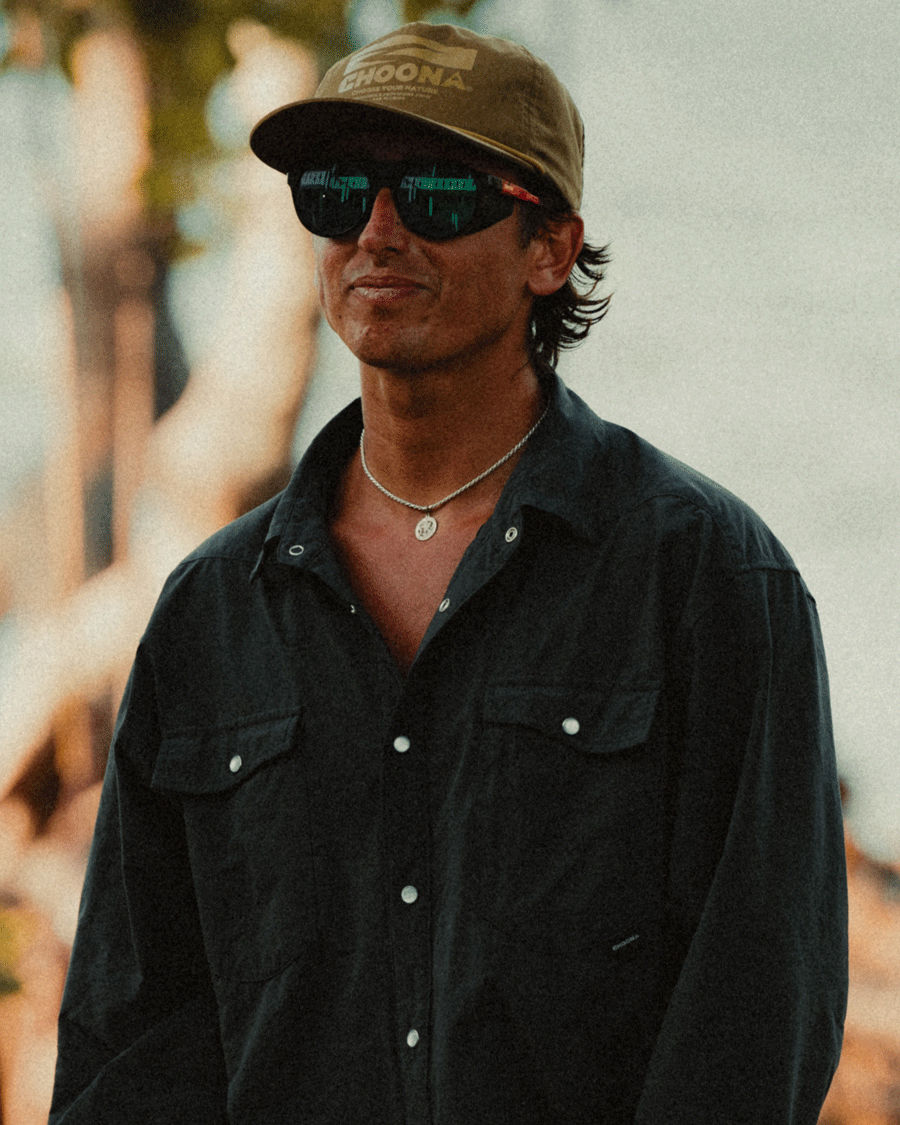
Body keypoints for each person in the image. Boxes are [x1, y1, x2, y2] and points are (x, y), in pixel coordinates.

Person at [49, 21, 848, 1125]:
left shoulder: (709, 577)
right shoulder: (212, 612)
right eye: (337, 194)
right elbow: (133, 1037)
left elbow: (756, 1012)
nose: (378, 231)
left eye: (437, 192)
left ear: (550, 248)